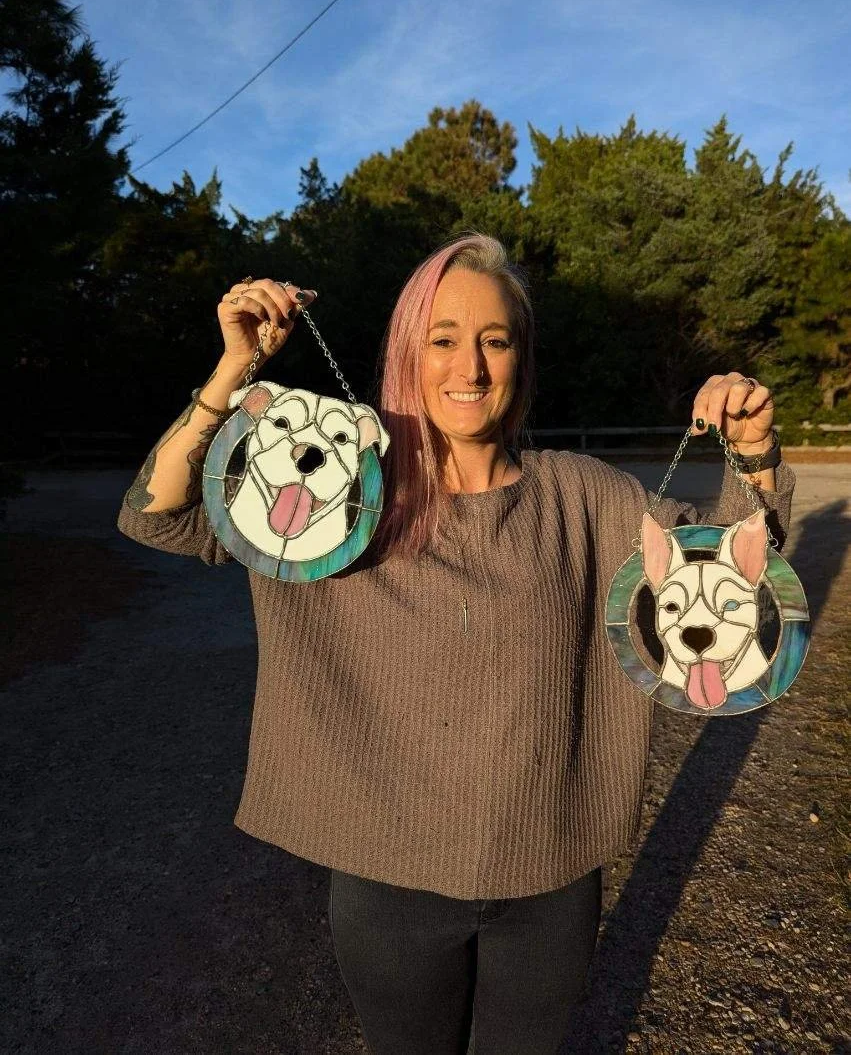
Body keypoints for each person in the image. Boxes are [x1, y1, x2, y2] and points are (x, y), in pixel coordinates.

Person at [118, 233, 795, 1055]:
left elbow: (734, 582)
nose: (469, 368)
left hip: (551, 873)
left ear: (520, 357)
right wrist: (233, 374)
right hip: (385, 884)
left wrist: (752, 449)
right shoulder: (338, 496)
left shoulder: (586, 498)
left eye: (494, 340)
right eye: (442, 339)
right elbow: (157, 515)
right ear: (409, 351)